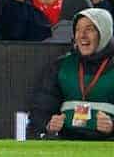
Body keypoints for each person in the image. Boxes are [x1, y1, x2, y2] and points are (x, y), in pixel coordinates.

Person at [29, 8, 114, 140]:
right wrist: (49, 125)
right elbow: (41, 110)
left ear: (104, 33)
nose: (82, 35)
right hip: (66, 142)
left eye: (89, 29)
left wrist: (112, 126)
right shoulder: (61, 66)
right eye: (78, 30)